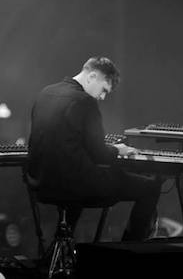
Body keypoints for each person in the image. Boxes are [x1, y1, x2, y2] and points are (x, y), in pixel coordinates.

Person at [27, 56, 161, 241]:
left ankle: (58, 252)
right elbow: (99, 154)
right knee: (149, 187)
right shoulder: (85, 102)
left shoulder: (45, 93)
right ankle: (131, 251)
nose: (102, 97)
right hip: (72, 184)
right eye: (104, 90)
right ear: (92, 76)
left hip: (41, 182)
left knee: (77, 179)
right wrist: (117, 150)